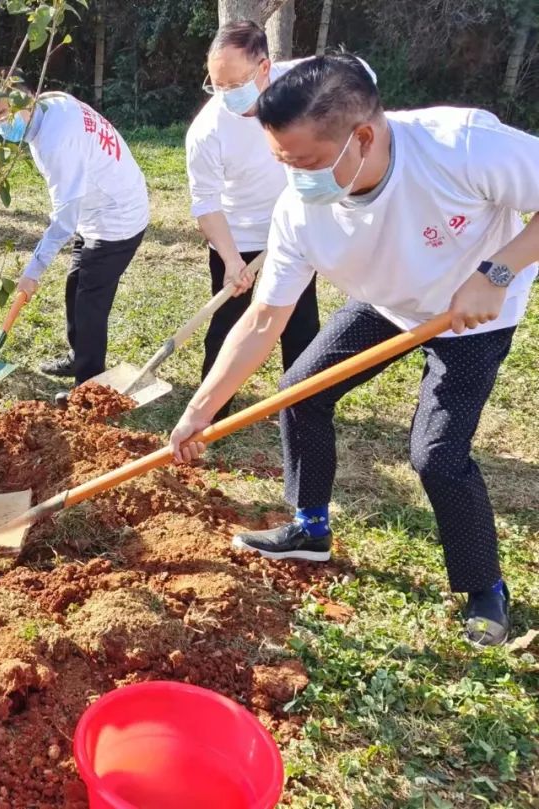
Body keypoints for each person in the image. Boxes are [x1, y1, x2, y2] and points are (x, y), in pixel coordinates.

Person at [169, 55, 539, 648]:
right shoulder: (297, 210)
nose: (296, 177)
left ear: (362, 137)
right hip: (388, 304)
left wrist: (498, 271)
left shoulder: (459, 144)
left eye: (308, 161)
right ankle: (309, 526)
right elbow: (264, 319)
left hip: (471, 314)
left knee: (436, 455)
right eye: (281, 160)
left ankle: (485, 587)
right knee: (301, 392)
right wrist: (201, 410)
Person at [186, 20, 323, 420]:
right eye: (217, 85)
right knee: (228, 321)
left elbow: (358, 72)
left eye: (235, 83)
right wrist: (231, 260)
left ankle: (301, 403)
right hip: (236, 233)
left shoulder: (300, 82)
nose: (226, 95)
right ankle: (212, 411)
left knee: (299, 320)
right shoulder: (207, 130)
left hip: (296, 226)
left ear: (264, 67)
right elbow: (205, 202)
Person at [0, 72, 149, 387]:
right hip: (93, 212)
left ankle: (89, 385)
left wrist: (33, 271)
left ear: (25, 101)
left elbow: (64, 218)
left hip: (116, 218)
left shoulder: (55, 138)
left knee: (90, 301)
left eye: (2, 113)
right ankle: (79, 357)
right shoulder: (50, 105)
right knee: (75, 286)